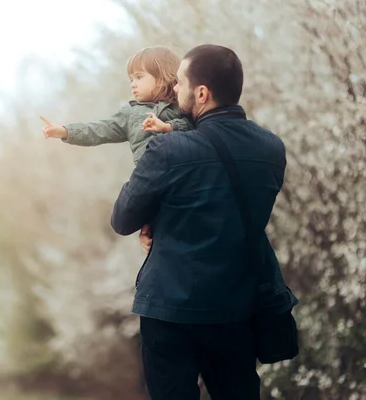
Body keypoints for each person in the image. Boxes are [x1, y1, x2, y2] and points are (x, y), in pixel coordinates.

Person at [110, 44, 298, 400]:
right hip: (235, 310)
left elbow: (122, 217)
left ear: (201, 93)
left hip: (169, 310)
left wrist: (155, 221)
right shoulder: (271, 149)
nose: (173, 91)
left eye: (179, 84)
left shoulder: (168, 150)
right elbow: (223, 205)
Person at [40, 46, 193, 166]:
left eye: (139, 77)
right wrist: (65, 132)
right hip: (150, 175)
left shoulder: (182, 104)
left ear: (162, 75)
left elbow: (196, 127)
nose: (133, 84)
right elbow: (98, 130)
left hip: (183, 169)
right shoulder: (130, 113)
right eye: (131, 79)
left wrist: (168, 127)